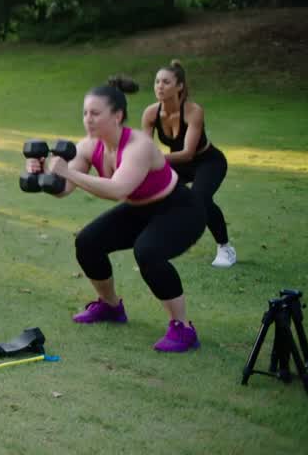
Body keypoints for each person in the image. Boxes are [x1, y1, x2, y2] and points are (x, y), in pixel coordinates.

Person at [27, 76, 205, 353]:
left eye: (95, 113)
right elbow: (63, 188)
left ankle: (183, 327)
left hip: (180, 208)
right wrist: (39, 174)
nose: (88, 119)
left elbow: (117, 189)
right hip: (138, 209)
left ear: (117, 115)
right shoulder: (88, 145)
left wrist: (66, 171)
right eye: (85, 113)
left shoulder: (138, 146)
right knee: (88, 242)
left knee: (148, 252)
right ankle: (110, 307)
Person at [142, 61, 235, 267]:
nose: (160, 86)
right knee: (157, 193)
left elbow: (187, 154)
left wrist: (153, 159)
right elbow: (146, 150)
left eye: (166, 82)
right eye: (157, 82)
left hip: (207, 161)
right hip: (178, 164)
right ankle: (160, 244)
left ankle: (225, 247)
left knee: (200, 199)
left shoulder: (193, 111)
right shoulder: (150, 113)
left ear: (180, 86)